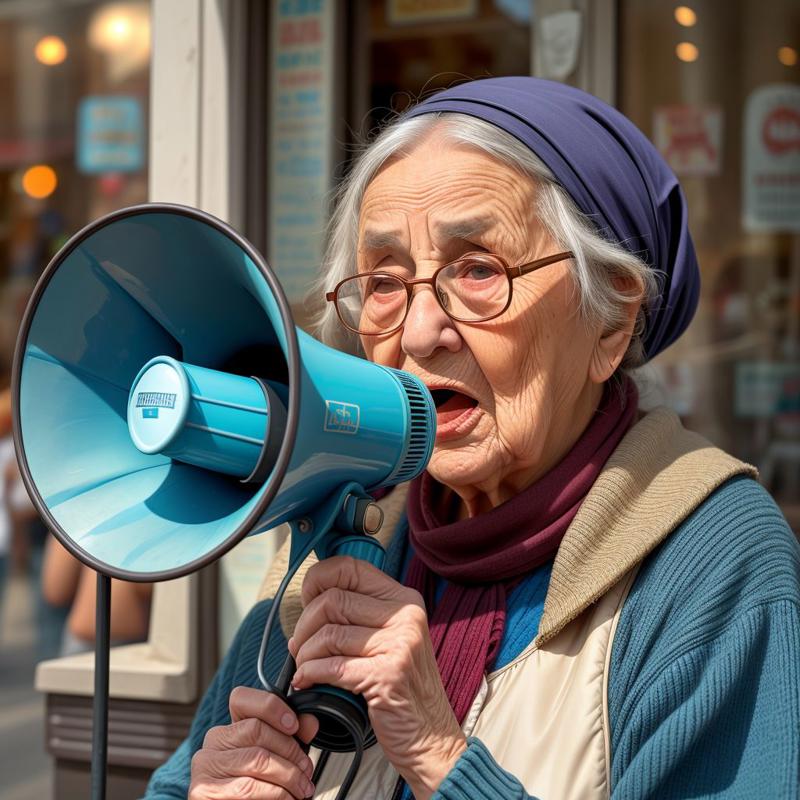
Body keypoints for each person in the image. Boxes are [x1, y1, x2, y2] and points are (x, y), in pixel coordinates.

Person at [145, 78, 800, 799]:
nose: (421, 332)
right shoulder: (354, 521)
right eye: (385, 282)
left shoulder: (714, 560)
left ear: (610, 322)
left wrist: (438, 755)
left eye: (479, 270)